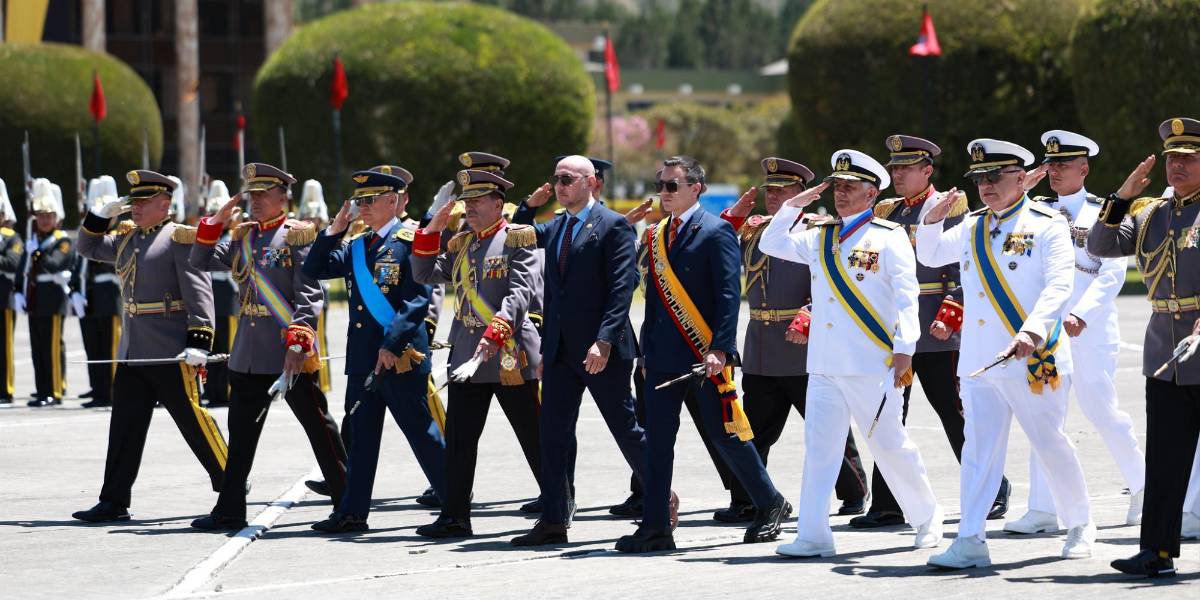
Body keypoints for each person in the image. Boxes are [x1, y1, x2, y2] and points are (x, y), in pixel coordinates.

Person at [918, 139, 1095, 568]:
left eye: (994, 177)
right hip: (982, 360)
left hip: (1034, 357)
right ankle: (971, 538)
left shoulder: (1048, 223)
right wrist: (930, 220)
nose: (986, 186)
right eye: (979, 178)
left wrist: (1032, 330)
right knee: (979, 449)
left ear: (1021, 178)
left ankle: (1079, 524)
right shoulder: (972, 226)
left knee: (1049, 443)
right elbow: (929, 254)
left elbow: (1059, 285)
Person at [759, 149, 943, 558]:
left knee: (891, 446)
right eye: (838, 187)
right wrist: (794, 205)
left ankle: (928, 521)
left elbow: (907, 296)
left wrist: (905, 349)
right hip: (825, 366)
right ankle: (813, 534)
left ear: (871, 193)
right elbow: (772, 242)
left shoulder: (888, 236)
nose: (841, 195)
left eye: (850, 188)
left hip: (871, 364)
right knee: (820, 451)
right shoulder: (820, 235)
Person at [617, 156, 788, 553]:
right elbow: (655, 303)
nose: (664, 193)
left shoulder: (715, 232)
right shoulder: (657, 234)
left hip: (702, 355)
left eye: (672, 186)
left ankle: (770, 502)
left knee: (724, 435)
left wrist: (721, 350)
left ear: (697, 188)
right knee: (657, 441)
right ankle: (656, 526)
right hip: (662, 358)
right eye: (660, 185)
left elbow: (730, 296)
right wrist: (645, 354)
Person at [855, 135, 1012, 528]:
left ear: (927, 170)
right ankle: (889, 503)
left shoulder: (949, 205)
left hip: (938, 329)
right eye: (894, 168)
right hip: (898, 330)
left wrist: (951, 314)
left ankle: (994, 488)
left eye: (906, 168)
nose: (898, 174)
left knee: (954, 413)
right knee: (890, 415)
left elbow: (963, 264)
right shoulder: (888, 211)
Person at [188, 162, 347, 530]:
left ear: (282, 196)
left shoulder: (298, 236)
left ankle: (348, 502)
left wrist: (298, 341)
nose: (256, 201)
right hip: (248, 350)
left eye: (263, 194)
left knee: (318, 427)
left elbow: (309, 294)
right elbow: (199, 260)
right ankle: (229, 509)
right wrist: (214, 222)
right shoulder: (243, 235)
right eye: (252, 195)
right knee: (241, 433)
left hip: (285, 348)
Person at [1005, 129, 1145, 534]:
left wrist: (1081, 314)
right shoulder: (1034, 212)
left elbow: (1112, 273)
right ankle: (1044, 507)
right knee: (1044, 413)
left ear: (1084, 168)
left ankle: (1143, 487)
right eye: (1049, 164)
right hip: (1047, 330)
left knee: (1101, 409)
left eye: (1063, 164)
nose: (1053, 171)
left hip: (1089, 330)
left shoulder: (1102, 213)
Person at [716, 157, 869, 522]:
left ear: (801, 194)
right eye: (770, 191)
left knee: (826, 427)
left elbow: (836, 284)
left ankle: (854, 492)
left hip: (803, 347)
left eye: (783, 191)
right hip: (762, 347)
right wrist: (734, 217)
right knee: (750, 430)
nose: (774, 197)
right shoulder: (754, 230)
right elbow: (717, 250)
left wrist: (810, 314)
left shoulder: (819, 229)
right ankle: (750, 499)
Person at [509, 155, 648, 546]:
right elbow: (517, 233)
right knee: (552, 433)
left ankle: (658, 501)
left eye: (567, 178)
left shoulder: (614, 225)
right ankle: (554, 520)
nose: (560, 185)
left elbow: (622, 289)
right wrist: (530, 204)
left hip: (601, 348)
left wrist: (603, 340)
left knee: (625, 429)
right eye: (556, 179)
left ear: (591, 183)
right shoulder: (555, 227)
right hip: (560, 352)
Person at [72, 169, 225, 523]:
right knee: (124, 426)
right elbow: (87, 247)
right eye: (133, 202)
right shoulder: (127, 239)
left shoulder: (180, 238)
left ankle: (229, 482)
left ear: (164, 204)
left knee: (193, 421)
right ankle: (113, 500)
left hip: (170, 350)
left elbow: (199, 293)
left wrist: (199, 339)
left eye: (143, 202)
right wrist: (100, 216)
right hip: (134, 351)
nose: (135, 208)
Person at [303, 167, 446, 533]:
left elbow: (418, 300)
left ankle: (455, 503)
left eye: (370, 200)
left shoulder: (412, 240)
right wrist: (334, 229)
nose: (362, 207)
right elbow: (313, 268)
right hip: (364, 358)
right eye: (359, 201)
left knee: (422, 434)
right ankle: (352, 512)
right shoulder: (355, 245)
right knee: (362, 439)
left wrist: (392, 343)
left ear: (394, 201)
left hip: (398, 358)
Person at [1091, 117, 1200, 577]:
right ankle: (1156, 551)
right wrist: (1123, 194)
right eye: (1172, 158)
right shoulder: (1151, 211)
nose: (1176, 166)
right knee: (1164, 460)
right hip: (1165, 351)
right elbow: (1101, 245)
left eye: (1188, 158)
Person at [410, 167, 543, 538]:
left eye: (477, 200)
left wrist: (497, 330)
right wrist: (432, 230)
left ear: (498, 203)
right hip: (469, 355)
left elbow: (521, 293)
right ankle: (455, 517)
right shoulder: (463, 243)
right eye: (466, 200)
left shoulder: (518, 238)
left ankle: (556, 505)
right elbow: (423, 274)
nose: (468, 207)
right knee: (460, 439)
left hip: (508, 354)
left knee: (533, 435)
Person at [16, 179, 73, 406]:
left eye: (49, 217)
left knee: (51, 348)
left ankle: (55, 390)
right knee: (38, 349)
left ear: (56, 219)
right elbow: (24, 269)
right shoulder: (34, 241)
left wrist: (36, 252)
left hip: (52, 299)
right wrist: (18, 291)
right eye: (41, 217)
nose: (44, 220)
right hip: (35, 299)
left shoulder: (62, 241)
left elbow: (54, 263)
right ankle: (42, 390)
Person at [73, 177, 124, 409]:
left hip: (111, 297)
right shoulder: (89, 237)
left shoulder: (119, 236)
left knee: (110, 346)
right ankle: (98, 389)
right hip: (90, 296)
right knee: (93, 346)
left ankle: (113, 391)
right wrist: (74, 290)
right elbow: (79, 265)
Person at [0, 179, 23, 406]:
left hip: (3, 298)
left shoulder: (11, 237)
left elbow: (11, 262)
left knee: (4, 347)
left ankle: (5, 390)